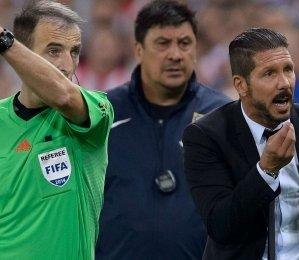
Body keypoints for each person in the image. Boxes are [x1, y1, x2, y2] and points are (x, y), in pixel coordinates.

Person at [0, 0, 113, 259]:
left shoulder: (95, 110)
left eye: (74, 51)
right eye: (54, 51)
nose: (67, 64)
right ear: (24, 54)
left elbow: (63, 96)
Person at [183, 28, 299, 260]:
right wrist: (266, 170)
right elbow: (220, 226)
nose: (284, 83)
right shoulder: (206, 137)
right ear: (241, 85)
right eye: (269, 73)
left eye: (288, 70)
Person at [96, 1, 230, 259]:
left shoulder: (222, 115)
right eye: (162, 43)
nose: (175, 55)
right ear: (138, 50)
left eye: (184, 43)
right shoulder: (104, 113)